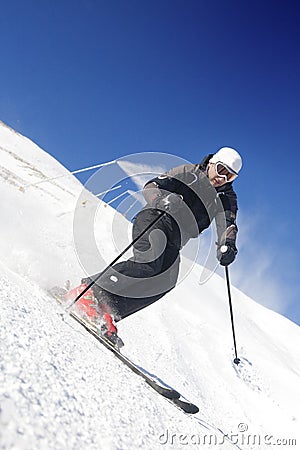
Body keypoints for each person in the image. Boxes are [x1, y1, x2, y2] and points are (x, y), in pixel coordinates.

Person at [66, 147, 242, 348]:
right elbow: (152, 185)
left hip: (177, 237)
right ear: (212, 163)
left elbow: (228, 224)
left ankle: (108, 309)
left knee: (165, 281)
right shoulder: (188, 173)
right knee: (148, 261)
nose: (223, 178)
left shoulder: (226, 198)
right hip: (156, 218)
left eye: (230, 176)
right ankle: (88, 291)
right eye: (221, 170)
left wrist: (227, 245)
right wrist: (160, 199)